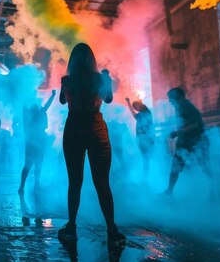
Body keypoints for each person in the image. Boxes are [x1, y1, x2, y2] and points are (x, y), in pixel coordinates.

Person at [57, 43, 125, 245]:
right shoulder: (100, 79)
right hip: (96, 127)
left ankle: (71, 226)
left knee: (75, 182)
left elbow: (62, 101)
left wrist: (66, 85)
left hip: (74, 128)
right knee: (102, 182)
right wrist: (106, 81)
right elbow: (110, 99)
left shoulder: (68, 80)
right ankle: (112, 230)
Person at [162, 87, 208, 195]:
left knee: (204, 166)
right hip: (185, 142)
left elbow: (196, 124)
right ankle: (169, 191)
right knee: (176, 165)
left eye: (171, 98)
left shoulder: (186, 106)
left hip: (195, 141)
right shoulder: (180, 107)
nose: (169, 101)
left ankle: (214, 192)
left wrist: (178, 132)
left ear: (178, 96)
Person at [18, 90, 56, 194]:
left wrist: (52, 96)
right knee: (35, 164)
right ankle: (32, 186)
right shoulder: (34, 112)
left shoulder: (32, 112)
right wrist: (52, 96)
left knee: (30, 165)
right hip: (35, 141)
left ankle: (25, 186)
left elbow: (45, 107)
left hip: (34, 141)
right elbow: (46, 106)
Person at [126, 97, 155, 179]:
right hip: (143, 140)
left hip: (147, 140)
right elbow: (134, 115)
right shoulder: (141, 114)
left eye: (136, 107)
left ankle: (147, 178)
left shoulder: (146, 113)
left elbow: (147, 127)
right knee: (146, 159)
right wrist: (128, 103)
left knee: (148, 159)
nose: (136, 109)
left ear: (140, 105)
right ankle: (146, 177)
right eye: (135, 108)